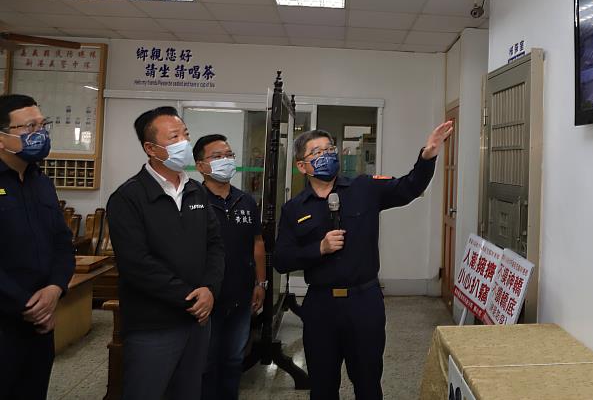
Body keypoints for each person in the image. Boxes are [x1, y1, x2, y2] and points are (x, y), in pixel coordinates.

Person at [274, 121, 453, 400]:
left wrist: (427, 156)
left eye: (330, 149)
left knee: (368, 381)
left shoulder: (363, 188)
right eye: (317, 152)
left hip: (364, 302)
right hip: (321, 306)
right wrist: (317, 249)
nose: (327, 155)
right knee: (322, 385)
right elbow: (282, 259)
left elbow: (409, 187)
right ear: (301, 166)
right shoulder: (294, 208)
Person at [106, 106, 225, 400]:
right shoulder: (128, 197)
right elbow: (137, 264)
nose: (185, 142)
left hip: (197, 322)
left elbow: (215, 245)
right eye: (175, 137)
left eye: (186, 134)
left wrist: (209, 289)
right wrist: (190, 297)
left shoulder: (196, 191)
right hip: (153, 326)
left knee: (188, 392)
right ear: (151, 148)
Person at [0, 94, 75, 400]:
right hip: (7, 317)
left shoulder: (41, 181)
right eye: (30, 126)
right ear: (3, 137)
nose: (40, 134)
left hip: (41, 322)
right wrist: (29, 305)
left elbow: (61, 242)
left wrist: (55, 288)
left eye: (43, 125)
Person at [193, 134, 266, 400]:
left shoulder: (245, 200)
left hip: (241, 295)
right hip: (206, 299)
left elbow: (257, 243)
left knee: (234, 360)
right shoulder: (192, 199)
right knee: (206, 362)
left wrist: (260, 283)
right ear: (201, 166)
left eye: (229, 155)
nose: (226, 160)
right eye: (217, 156)